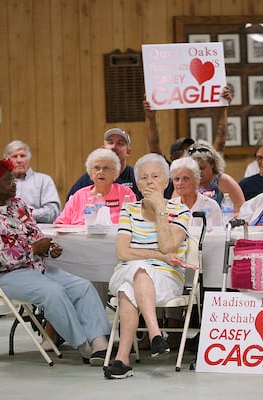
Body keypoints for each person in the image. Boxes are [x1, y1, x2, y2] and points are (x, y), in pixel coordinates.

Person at [0, 159, 111, 366]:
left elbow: (35, 234)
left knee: (83, 286)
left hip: (33, 268)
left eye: (13, 179)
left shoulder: (17, 205)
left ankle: (100, 343)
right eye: (8, 180)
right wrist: (33, 250)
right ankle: (84, 346)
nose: (14, 183)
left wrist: (49, 247)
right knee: (53, 292)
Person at [104, 154, 191, 379]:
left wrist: (161, 210)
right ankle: (155, 334)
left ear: (166, 181)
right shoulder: (128, 209)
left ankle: (122, 360)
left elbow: (167, 245)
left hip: (166, 277)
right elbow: (122, 252)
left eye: (155, 176)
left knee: (128, 287)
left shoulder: (181, 211)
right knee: (137, 269)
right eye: (143, 177)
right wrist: (157, 256)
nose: (150, 182)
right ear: (138, 184)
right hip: (129, 269)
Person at [143, 88, 232, 163]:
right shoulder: (167, 171)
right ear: (173, 158)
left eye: (191, 150)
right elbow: (154, 145)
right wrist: (151, 119)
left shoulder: (202, 173)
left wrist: (223, 109)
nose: (188, 154)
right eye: (183, 151)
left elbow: (220, 142)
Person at [56, 148, 136, 225]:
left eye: (106, 168)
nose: (101, 172)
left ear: (115, 173)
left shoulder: (125, 193)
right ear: (90, 173)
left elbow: (135, 221)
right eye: (96, 168)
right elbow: (60, 224)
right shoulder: (79, 196)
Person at [66, 128, 141, 200]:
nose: (114, 147)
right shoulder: (90, 177)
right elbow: (70, 205)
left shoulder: (137, 177)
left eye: (120, 143)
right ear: (103, 148)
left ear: (128, 151)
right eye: (110, 143)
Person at [4, 140, 60, 223]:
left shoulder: (44, 180)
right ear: (7, 160)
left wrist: (26, 213)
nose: (19, 160)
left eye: (22, 156)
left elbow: (53, 212)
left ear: (28, 158)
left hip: (38, 231)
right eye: (15, 156)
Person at [186, 141, 245, 213]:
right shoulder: (184, 182)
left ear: (212, 164)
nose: (198, 172)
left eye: (202, 168)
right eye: (195, 169)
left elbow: (241, 211)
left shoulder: (224, 181)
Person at [170, 157, 222, 228]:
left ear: (196, 181)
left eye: (185, 179)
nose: (180, 183)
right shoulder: (169, 207)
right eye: (177, 179)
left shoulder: (211, 206)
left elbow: (217, 236)